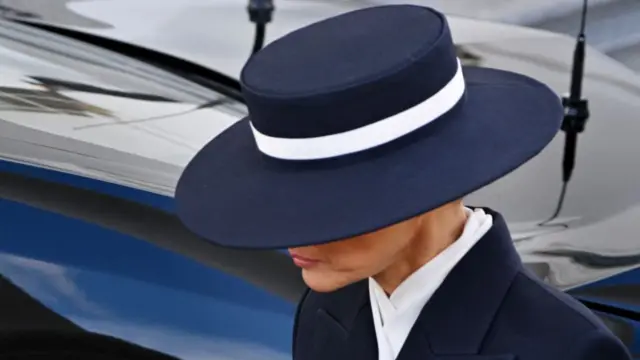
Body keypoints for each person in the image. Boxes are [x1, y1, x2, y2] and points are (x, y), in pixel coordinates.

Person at [174, 5, 631, 360]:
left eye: (319, 205)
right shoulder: (325, 311)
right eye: (286, 202)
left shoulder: (562, 350)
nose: (292, 232)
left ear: (419, 188)